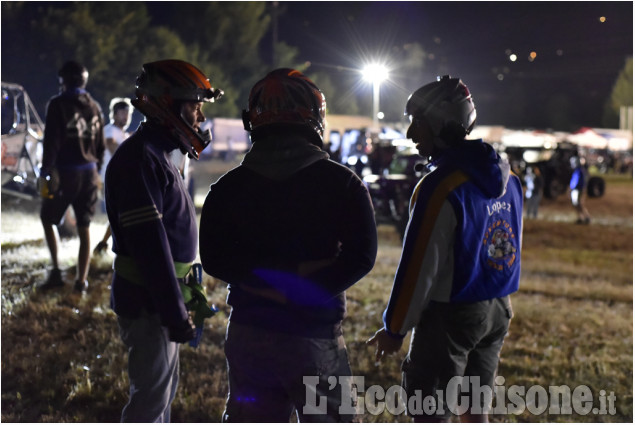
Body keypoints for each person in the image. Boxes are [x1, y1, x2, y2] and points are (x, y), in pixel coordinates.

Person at [199, 68, 378, 422]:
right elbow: (362, 256)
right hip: (312, 334)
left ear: (253, 121)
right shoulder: (342, 183)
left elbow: (214, 259)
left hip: (249, 332)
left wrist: (266, 283)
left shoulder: (227, 188)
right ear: (314, 117)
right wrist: (301, 289)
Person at [367, 76, 523, 422]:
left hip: (452, 316)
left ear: (441, 123)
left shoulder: (439, 186)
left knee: (430, 413)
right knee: (473, 412)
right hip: (498, 308)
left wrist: (395, 329)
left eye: (417, 123)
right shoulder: (510, 179)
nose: (410, 134)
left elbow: (419, 268)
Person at [105, 59, 223, 422]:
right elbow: (150, 246)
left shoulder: (158, 154)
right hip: (149, 302)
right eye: (194, 105)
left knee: (162, 396)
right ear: (165, 104)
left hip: (160, 298)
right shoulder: (140, 159)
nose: (200, 117)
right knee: (150, 402)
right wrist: (172, 311)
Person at [39, 60, 105, 293]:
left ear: (64, 81)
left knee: (48, 219)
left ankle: (56, 272)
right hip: (89, 174)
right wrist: (96, 168)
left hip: (66, 173)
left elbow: (52, 141)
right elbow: (100, 146)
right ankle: (81, 281)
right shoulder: (95, 106)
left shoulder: (58, 104)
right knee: (84, 226)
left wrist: (46, 170)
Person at [94, 97, 133, 254]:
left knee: (121, 215)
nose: (126, 117)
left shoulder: (123, 134)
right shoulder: (110, 131)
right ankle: (106, 245)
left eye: (128, 113)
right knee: (121, 215)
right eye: (122, 113)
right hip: (110, 180)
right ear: (114, 114)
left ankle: (104, 245)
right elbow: (113, 148)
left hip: (119, 181)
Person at [569, 156, 591, 224]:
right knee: (577, 204)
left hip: (578, 189)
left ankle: (586, 217)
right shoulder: (580, 170)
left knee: (579, 204)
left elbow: (576, 181)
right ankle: (581, 217)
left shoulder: (579, 171)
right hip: (578, 189)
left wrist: (571, 188)